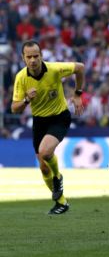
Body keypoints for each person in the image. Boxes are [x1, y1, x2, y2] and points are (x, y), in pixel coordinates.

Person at [11, 40, 84, 214]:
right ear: (23, 58)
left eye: (36, 56)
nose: (33, 60)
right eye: (29, 57)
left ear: (42, 56)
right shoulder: (21, 78)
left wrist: (78, 93)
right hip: (39, 121)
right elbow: (14, 108)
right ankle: (61, 203)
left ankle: (58, 177)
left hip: (59, 117)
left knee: (45, 152)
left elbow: (80, 68)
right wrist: (27, 100)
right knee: (43, 167)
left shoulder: (54, 69)